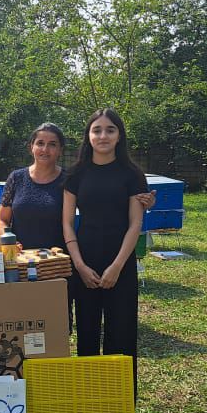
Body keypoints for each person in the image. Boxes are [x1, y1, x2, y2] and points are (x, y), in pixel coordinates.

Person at [0, 122, 153, 331]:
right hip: (21, 263)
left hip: (59, 265)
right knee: (22, 322)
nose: (45, 149)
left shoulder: (68, 178)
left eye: (52, 144)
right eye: (40, 143)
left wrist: (143, 202)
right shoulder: (16, 178)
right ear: (31, 147)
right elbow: (2, 219)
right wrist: (9, 240)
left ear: (61, 150)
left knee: (56, 327)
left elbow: (100, 202)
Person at [62, 108, 148, 398]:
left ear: (119, 135)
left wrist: (117, 267)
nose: (103, 135)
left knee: (121, 333)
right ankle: (89, 400)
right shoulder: (75, 174)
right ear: (88, 136)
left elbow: (135, 224)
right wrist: (80, 265)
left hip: (120, 262)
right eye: (97, 130)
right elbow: (66, 222)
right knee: (86, 332)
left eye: (110, 129)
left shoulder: (132, 175)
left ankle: (119, 401)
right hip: (84, 262)